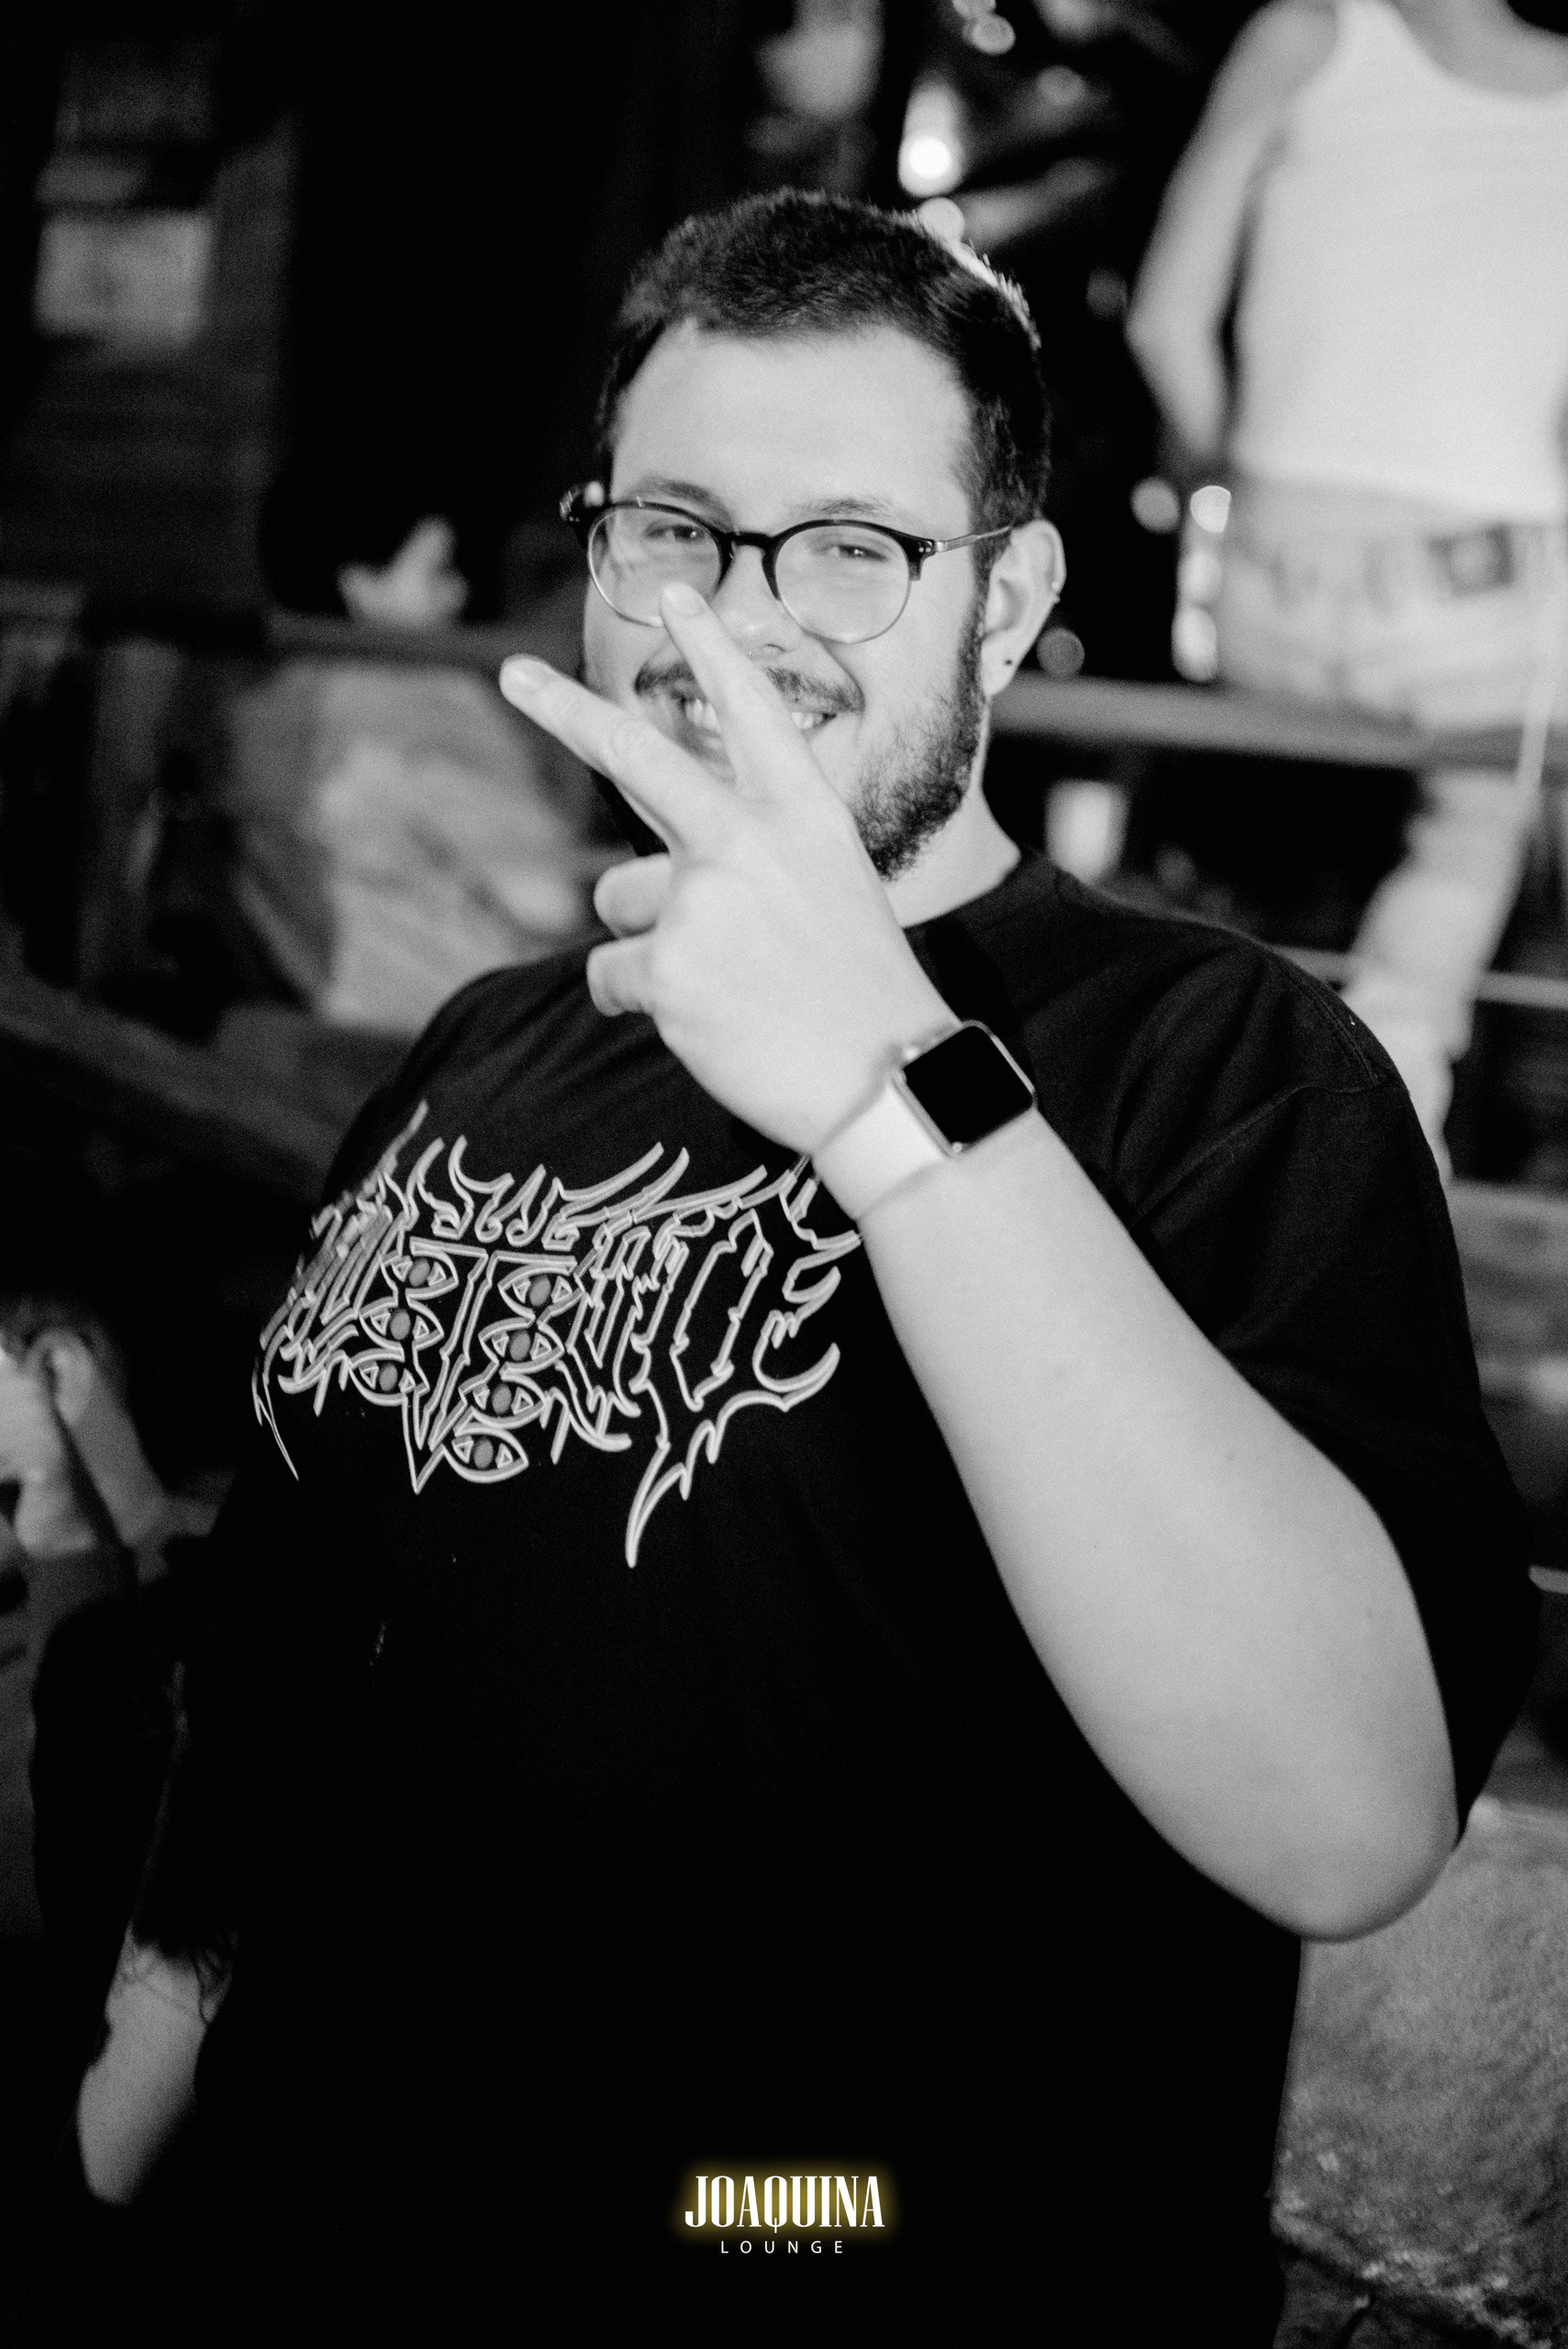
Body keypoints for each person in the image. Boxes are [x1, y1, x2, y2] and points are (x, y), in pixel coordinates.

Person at [45, 191, 1534, 2345]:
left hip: (811, 2238)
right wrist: (140, 2084)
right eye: (673, 528)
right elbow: (285, 1650)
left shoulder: (1212, 1061)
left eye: (848, 546)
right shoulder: (487, 1043)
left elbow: (1345, 1810)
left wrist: (882, 1085)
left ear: (1007, 602)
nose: (732, 620)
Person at [1126, 0, 1568, 1169]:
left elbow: (1164, 323)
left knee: (1256, 869)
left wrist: (1241, 487)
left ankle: (1188, 1121)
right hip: (1477, 592)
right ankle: (1386, 1113)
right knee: (1466, 844)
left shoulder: (1309, 33)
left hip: (1269, 578)